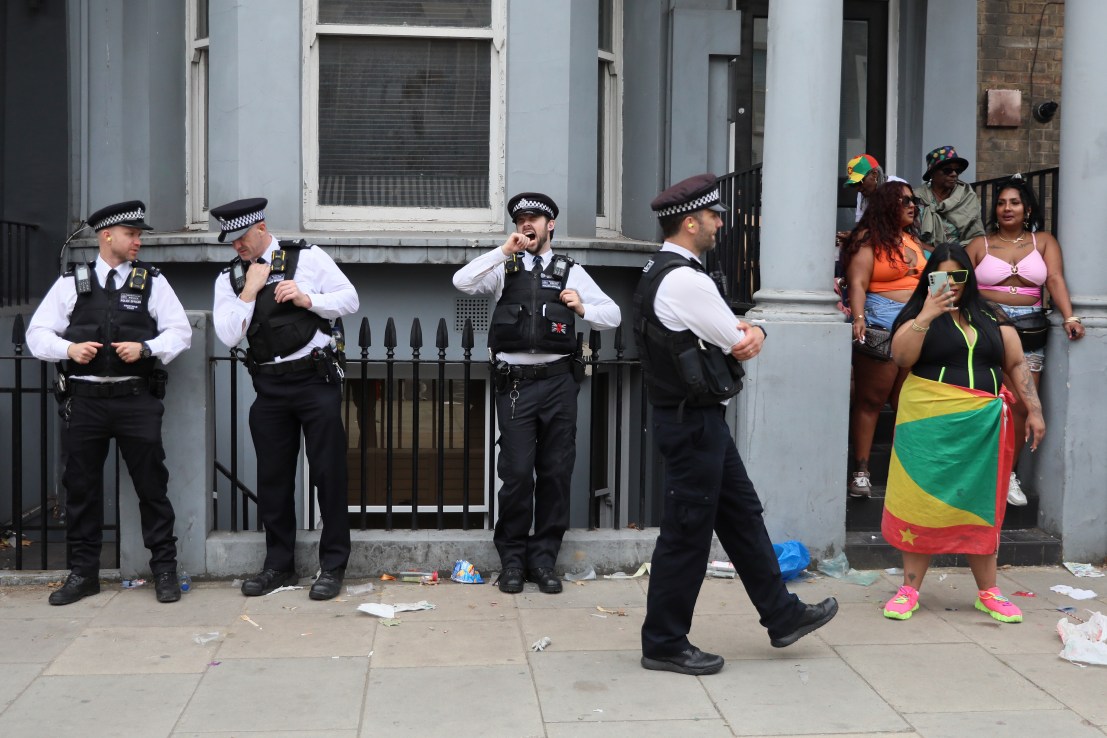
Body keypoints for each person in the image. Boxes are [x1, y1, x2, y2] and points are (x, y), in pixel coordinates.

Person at [634, 173, 837, 676]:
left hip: (698, 421)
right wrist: (758, 328)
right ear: (690, 222)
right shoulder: (685, 279)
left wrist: (741, 329)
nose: (720, 224)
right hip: (692, 424)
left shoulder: (665, 270)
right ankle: (663, 641)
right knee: (686, 534)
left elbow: (724, 332)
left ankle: (782, 615)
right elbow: (737, 339)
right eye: (713, 216)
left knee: (742, 516)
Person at [452, 192, 621, 595]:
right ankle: (512, 561)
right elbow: (462, 281)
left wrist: (583, 309)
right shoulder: (504, 267)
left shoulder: (569, 271)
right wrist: (502, 251)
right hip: (515, 385)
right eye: (520, 219)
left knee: (555, 474)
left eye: (534, 218)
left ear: (550, 226)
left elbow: (613, 315)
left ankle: (543, 560)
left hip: (559, 384)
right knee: (515, 474)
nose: (526, 224)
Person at [26, 200, 192, 605]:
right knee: (81, 490)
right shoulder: (72, 282)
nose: (138, 241)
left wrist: (146, 348)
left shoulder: (152, 281)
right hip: (85, 402)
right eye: (131, 234)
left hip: (136, 400)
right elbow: (37, 334)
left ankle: (164, 570)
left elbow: (180, 332)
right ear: (107, 236)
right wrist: (69, 349)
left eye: (138, 235)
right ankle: (84, 574)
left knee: (152, 487)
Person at [881, 242, 1044, 623]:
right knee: (920, 502)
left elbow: (1016, 362)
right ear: (929, 278)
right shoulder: (918, 312)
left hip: (981, 426)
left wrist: (1034, 410)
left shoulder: (989, 313)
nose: (950, 282)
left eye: (958, 274)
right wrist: (928, 313)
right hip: (928, 423)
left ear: (969, 276)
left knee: (980, 504)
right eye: (942, 275)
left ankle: (989, 592)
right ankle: (909, 589)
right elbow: (901, 357)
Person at [211, 197, 359, 600]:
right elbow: (228, 334)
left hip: (315, 381)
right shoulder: (230, 278)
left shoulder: (306, 258)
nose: (237, 246)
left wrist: (308, 298)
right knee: (273, 480)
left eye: (242, 238)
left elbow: (350, 299)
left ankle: (333, 566)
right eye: (231, 241)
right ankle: (278, 565)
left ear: (261, 228)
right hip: (270, 388)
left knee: (329, 474)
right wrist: (250, 290)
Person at [967, 175, 1084, 505]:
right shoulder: (979, 244)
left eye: (1014, 203)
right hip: (987, 325)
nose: (1007, 208)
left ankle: (1008, 475)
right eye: (1001, 203)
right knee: (983, 400)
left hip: (1030, 327)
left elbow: (1055, 279)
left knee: (1020, 404)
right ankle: (975, 474)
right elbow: (961, 285)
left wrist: (1070, 316)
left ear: (1027, 209)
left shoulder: (1043, 241)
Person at [843, 181, 925, 498]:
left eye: (913, 200)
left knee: (907, 401)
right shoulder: (868, 239)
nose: (912, 205)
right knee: (870, 401)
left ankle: (906, 472)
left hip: (916, 328)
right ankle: (861, 473)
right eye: (904, 200)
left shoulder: (913, 240)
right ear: (887, 205)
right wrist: (858, 318)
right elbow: (857, 283)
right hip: (881, 326)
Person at [914, 145, 985, 247]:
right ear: (932, 173)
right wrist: (932, 251)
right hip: (922, 253)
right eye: (947, 170)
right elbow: (908, 236)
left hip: (961, 253)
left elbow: (976, 237)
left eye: (957, 170)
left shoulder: (967, 197)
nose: (954, 174)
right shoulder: (916, 198)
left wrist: (954, 253)